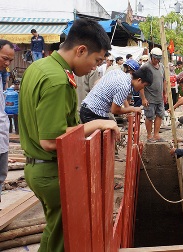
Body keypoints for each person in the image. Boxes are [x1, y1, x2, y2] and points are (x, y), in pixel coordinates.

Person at [19, 19, 119, 252]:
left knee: (54, 233)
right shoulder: (57, 80)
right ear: (80, 50)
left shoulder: (39, 67)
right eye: (96, 61)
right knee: (63, 240)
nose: (95, 67)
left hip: (36, 167)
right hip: (52, 170)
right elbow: (51, 140)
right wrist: (96, 124)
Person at [80, 64, 152, 123]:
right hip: (94, 112)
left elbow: (97, 82)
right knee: (109, 134)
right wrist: (133, 109)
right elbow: (114, 110)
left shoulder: (118, 73)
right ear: (139, 80)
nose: (143, 88)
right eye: (144, 85)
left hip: (86, 107)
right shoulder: (124, 86)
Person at [140, 47, 166, 142]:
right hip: (149, 97)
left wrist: (165, 93)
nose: (157, 60)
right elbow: (141, 84)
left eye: (158, 59)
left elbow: (164, 80)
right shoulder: (145, 67)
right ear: (151, 57)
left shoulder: (162, 67)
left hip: (159, 97)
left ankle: (156, 134)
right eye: (155, 58)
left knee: (160, 115)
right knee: (150, 116)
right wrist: (143, 98)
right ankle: (149, 135)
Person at [0, 40, 14, 202]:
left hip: (2, 135)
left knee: (1, 176)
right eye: (5, 58)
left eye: (10, 60)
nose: (7, 63)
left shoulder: (2, 74)